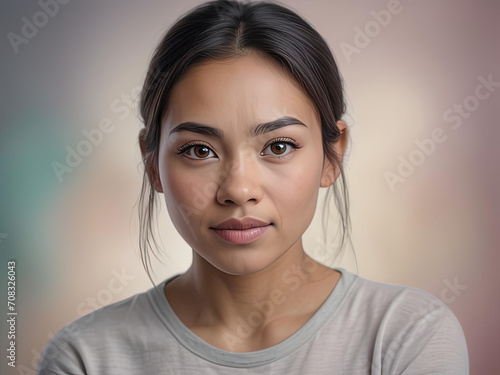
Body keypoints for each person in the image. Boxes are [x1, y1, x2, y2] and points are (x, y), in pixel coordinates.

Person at [37, 0, 469, 373]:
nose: (239, 190)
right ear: (152, 163)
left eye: (278, 146)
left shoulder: (407, 337)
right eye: (199, 150)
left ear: (332, 155)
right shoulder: (86, 358)